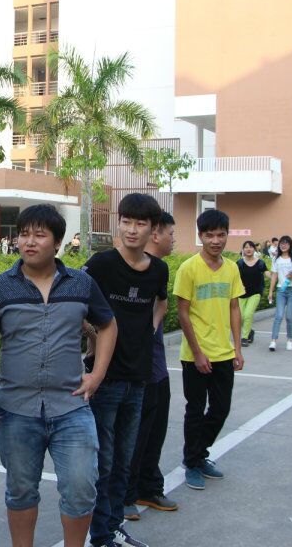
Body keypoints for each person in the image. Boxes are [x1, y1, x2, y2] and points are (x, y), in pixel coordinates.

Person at [0, 204, 117, 547]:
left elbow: (108, 325)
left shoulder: (81, 283)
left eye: (39, 235)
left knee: (81, 488)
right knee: (21, 490)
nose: (29, 242)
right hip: (16, 410)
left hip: (71, 407)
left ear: (58, 243)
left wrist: (96, 375)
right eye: (24, 234)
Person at [81, 194, 168, 547]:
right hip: (104, 378)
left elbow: (162, 302)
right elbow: (74, 302)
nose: (131, 229)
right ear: (118, 223)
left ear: (153, 229)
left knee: (123, 461)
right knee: (104, 460)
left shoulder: (158, 269)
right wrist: (96, 335)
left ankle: (112, 526)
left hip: (138, 378)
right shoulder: (101, 264)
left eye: (140, 223)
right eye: (126, 221)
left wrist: (149, 330)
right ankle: (101, 533)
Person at [173, 209, 245, 491]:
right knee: (194, 410)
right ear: (200, 236)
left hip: (224, 353)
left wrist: (237, 348)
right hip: (195, 355)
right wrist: (198, 353)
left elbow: (234, 308)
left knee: (221, 409)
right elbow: (182, 313)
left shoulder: (232, 268)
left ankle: (196, 454)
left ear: (227, 235)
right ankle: (193, 462)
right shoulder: (188, 268)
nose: (216, 241)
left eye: (221, 235)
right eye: (209, 235)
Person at [123, 212, 179, 520]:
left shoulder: (159, 270)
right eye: (171, 233)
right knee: (134, 434)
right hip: (135, 370)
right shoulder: (125, 270)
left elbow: (161, 306)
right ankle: (125, 494)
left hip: (157, 368)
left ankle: (149, 485)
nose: (174, 240)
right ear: (156, 234)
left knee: (154, 432)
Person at [267, 235, 292, 351]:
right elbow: (274, 276)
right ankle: (273, 341)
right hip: (281, 290)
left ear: (290, 245)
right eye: (281, 244)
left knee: (289, 317)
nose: (283, 246)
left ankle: (289, 340)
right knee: (278, 316)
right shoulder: (276, 259)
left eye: (286, 243)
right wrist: (270, 291)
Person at [237, 240, 269, 347]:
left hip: (255, 293)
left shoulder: (260, 263)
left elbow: (267, 273)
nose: (248, 249)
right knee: (240, 317)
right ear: (243, 250)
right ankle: (250, 331)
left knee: (248, 315)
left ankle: (244, 338)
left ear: (254, 249)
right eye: (246, 247)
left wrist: (275, 275)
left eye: (250, 247)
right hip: (241, 294)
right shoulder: (239, 263)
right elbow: (234, 277)